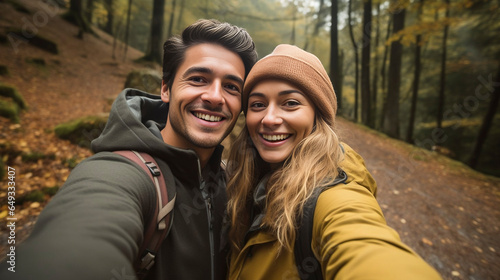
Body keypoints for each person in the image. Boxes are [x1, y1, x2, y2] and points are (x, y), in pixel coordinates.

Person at [0, 19, 257, 280]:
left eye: (231, 87)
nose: (215, 97)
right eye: (198, 79)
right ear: (166, 89)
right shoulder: (120, 174)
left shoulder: (232, 182)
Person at [225, 44, 443, 279]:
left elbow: (363, 244)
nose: (269, 119)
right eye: (258, 104)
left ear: (318, 115)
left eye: (290, 103)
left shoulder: (332, 194)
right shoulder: (238, 178)